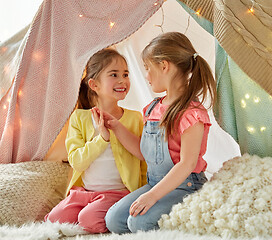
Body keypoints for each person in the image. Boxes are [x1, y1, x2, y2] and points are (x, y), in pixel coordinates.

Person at [105, 32, 216, 233]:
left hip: (186, 186)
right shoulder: (153, 108)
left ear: (164, 66)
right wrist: (116, 127)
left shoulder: (191, 113)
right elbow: (143, 152)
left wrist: (153, 196)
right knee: (114, 220)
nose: (146, 76)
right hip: (155, 184)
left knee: (138, 223)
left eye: (147, 68)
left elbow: (187, 163)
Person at [44, 48, 147, 233]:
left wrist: (140, 193)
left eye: (125, 74)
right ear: (94, 85)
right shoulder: (79, 118)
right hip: (83, 193)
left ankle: (97, 214)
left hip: (117, 193)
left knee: (88, 220)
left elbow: (143, 160)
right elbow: (77, 161)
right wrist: (101, 139)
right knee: (54, 220)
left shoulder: (135, 118)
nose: (122, 80)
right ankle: (89, 211)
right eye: (114, 75)